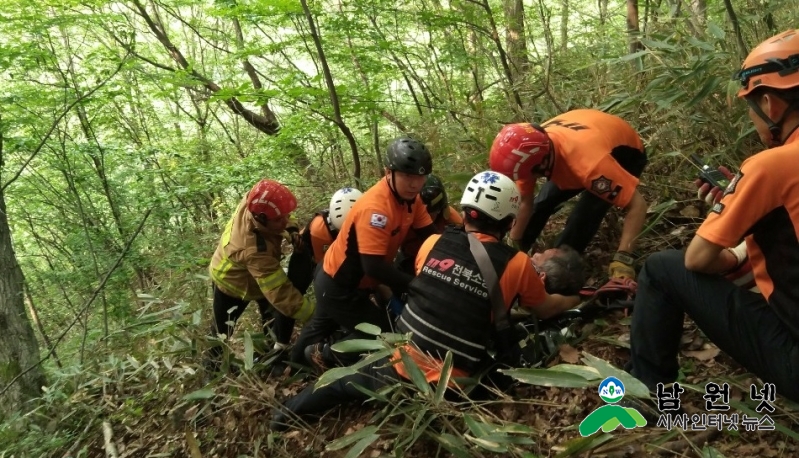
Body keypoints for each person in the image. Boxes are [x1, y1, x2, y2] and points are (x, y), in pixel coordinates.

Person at [269, 170, 583, 430]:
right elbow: (543, 307)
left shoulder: (432, 243)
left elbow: (438, 284)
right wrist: (575, 299)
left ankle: (283, 416)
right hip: (450, 389)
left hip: (397, 365)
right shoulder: (515, 264)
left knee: (340, 385)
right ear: (510, 221)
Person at [627, 29, 799, 403]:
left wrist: (731, 239)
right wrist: (746, 217)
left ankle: (646, 394)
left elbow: (699, 259)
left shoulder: (771, 166)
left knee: (661, 268)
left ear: (770, 105)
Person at [293, 137, 437, 371]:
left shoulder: (412, 199)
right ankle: (322, 354)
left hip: (345, 279)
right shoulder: (376, 208)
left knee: (320, 325)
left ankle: (295, 364)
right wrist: (417, 285)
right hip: (338, 284)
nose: (415, 184)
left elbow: (430, 236)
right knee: (385, 335)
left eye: (420, 177)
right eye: (408, 176)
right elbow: (373, 266)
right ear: (388, 172)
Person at [488, 111, 649, 281]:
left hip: (622, 154)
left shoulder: (590, 165)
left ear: (540, 166)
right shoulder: (530, 149)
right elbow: (525, 203)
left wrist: (623, 258)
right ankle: (515, 259)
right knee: (542, 203)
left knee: (583, 216)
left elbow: (637, 206)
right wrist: (513, 245)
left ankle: (557, 273)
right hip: (572, 149)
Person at [206, 179, 315, 370]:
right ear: (262, 218)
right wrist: (314, 315)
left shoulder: (256, 199)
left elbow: (282, 214)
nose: (285, 218)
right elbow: (281, 293)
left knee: (271, 319)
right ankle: (212, 370)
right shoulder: (254, 249)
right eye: (279, 219)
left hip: (256, 278)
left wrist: (290, 229)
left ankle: (270, 356)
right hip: (230, 283)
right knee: (221, 332)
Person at [271, 187, 365, 370]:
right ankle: (280, 349)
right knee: (293, 298)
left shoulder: (364, 225)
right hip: (309, 258)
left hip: (337, 271)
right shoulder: (317, 231)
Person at [396, 174, 464, 274]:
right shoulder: (402, 220)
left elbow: (465, 244)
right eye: (421, 215)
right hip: (409, 259)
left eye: (430, 214)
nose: (425, 219)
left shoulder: (451, 218)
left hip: (442, 260)